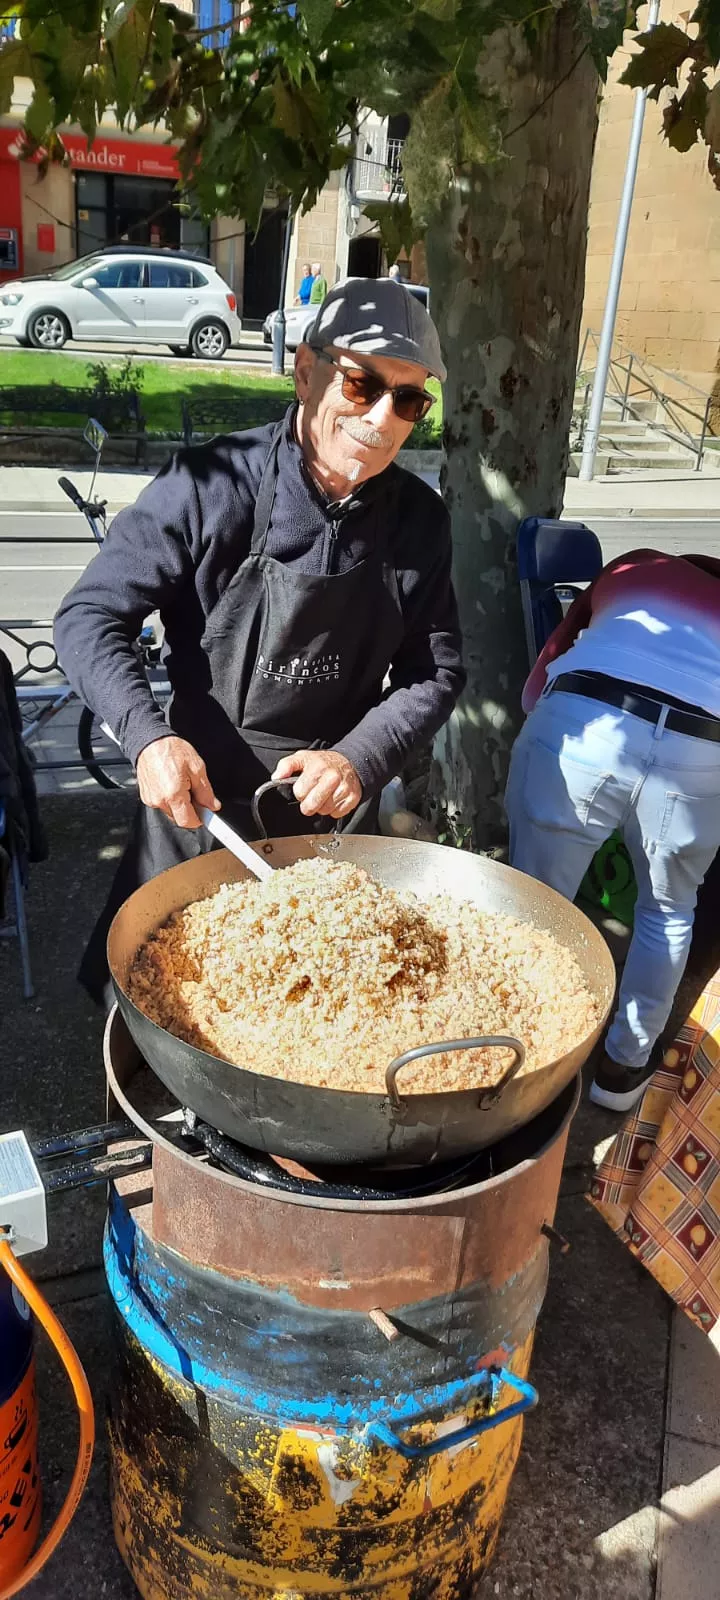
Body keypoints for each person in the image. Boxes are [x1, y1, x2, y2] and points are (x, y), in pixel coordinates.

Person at [55, 278, 464, 1005]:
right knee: (164, 1010)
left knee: (309, 1013)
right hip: (195, 808)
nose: (380, 418)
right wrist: (148, 737)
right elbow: (89, 615)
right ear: (305, 370)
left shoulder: (421, 523)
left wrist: (360, 759)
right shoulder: (209, 486)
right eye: (361, 382)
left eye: (408, 400)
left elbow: (434, 673)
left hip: (327, 827)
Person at [504, 547, 720, 1113]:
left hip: (589, 719)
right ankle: (622, 1072)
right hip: (704, 746)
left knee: (534, 898)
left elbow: (549, 661)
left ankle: (519, 1052)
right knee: (670, 911)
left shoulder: (635, 565)